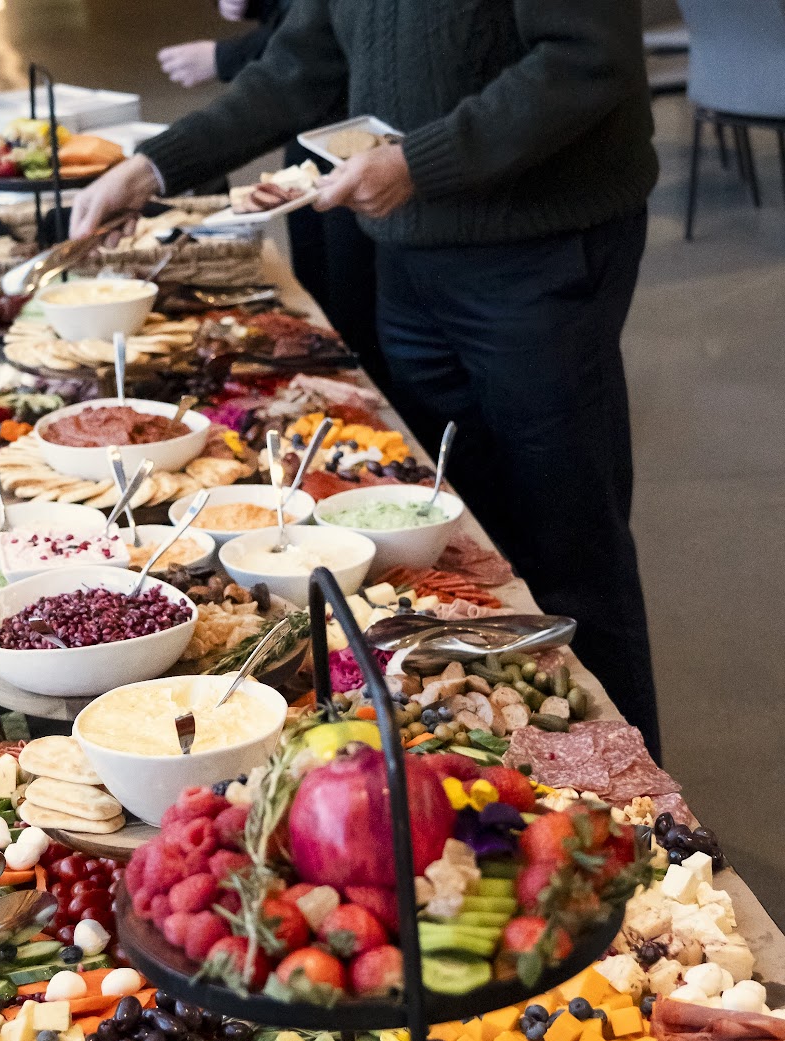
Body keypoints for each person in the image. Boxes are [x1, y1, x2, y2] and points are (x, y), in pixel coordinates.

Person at [71, 0, 662, 754]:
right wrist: (154, 165)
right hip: (411, 257)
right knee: (446, 539)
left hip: (538, 255)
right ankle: (515, 756)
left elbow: (586, 60)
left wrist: (418, 163)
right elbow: (302, 62)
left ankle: (637, 783)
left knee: (566, 533)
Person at [156, 0, 388, 382]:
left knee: (355, 311)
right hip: (315, 137)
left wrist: (227, 57)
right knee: (320, 296)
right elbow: (303, 31)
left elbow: (309, 48)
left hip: (376, 151)